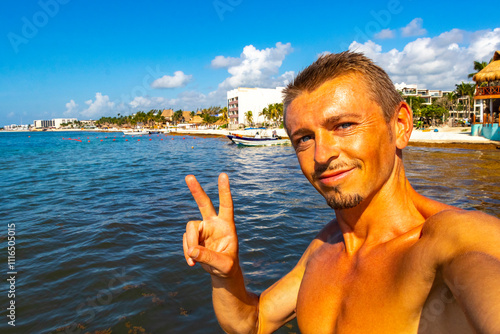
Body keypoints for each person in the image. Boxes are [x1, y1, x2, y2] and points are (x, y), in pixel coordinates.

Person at [183, 51, 500, 333]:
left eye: (344, 125)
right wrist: (226, 274)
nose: (321, 154)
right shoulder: (324, 247)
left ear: (400, 125)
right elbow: (253, 322)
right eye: (304, 138)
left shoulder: (451, 242)